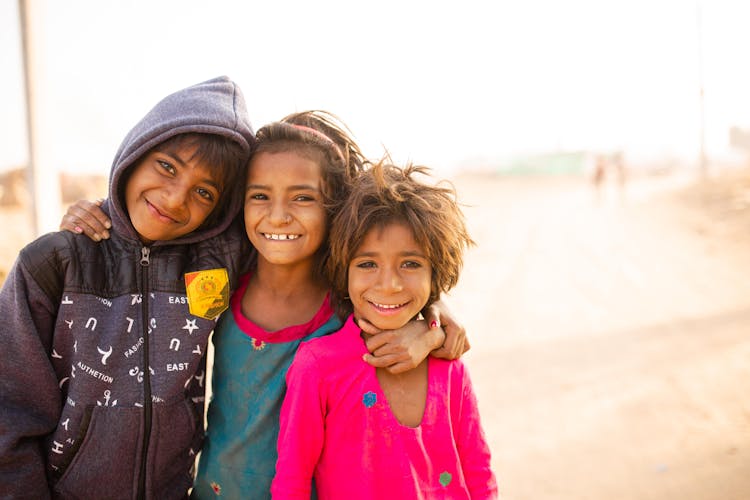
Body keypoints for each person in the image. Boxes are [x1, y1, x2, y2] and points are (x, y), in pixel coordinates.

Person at [60, 112, 470, 498]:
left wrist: (429, 318)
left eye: (303, 198)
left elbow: (396, 287)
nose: (278, 217)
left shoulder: (345, 303)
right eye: (260, 195)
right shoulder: (221, 281)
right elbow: (152, 258)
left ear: (337, 208)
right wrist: (97, 214)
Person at [0, 76, 255, 498]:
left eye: (204, 192)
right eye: (167, 167)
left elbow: (305, 230)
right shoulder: (53, 264)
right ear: (135, 154)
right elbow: (10, 411)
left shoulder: (221, 263)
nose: (175, 200)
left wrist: (406, 324)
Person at [272, 161, 498, 499]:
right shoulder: (318, 365)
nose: (389, 285)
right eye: (367, 264)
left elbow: (478, 470)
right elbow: (292, 479)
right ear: (341, 271)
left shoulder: (449, 366)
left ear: (435, 273)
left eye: (410, 264)